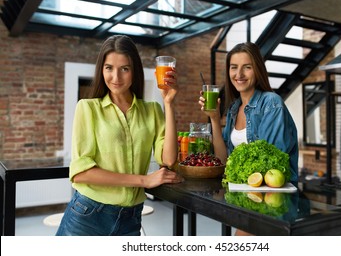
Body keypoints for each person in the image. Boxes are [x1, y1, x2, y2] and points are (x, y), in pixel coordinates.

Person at [56, 35, 183, 236]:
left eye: (124, 69)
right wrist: (144, 180)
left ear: (134, 72)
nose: (116, 77)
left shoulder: (152, 110)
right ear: (102, 70)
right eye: (109, 68)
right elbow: (81, 172)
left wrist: (168, 103)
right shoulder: (88, 108)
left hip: (130, 219)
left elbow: (167, 158)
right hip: (88, 216)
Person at [199, 42, 298, 236]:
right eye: (234, 67)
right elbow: (223, 160)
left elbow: (272, 165)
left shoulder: (271, 104)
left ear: (258, 70)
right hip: (248, 199)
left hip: (273, 202)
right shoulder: (235, 108)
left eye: (247, 67)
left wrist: (236, 173)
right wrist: (213, 117)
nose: (239, 74)